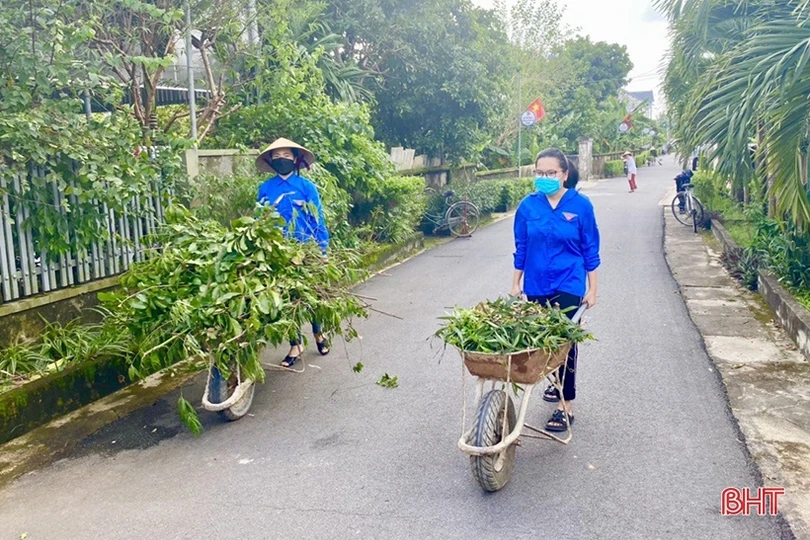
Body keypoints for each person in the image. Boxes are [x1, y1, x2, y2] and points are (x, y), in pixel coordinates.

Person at [511, 148, 601, 432]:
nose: (544, 177)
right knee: (542, 341)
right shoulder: (528, 206)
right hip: (536, 283)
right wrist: (515, 282)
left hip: (569, 282)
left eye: (551, 173)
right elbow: (522, 248)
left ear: (564, 175)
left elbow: (590, 249)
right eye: (539, 173)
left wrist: (593, 288)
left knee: (565, 342)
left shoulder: (581, 205)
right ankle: (556, 383)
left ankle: (566, 405)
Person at [256, 137, 331, 367]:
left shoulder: (307, 188)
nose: (282, 160)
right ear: (271, 161)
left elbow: (317, 218)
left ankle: (319, 333)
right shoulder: (266, 189)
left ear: (295, 160)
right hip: (278, 253)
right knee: (287, 300)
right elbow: (260, 221)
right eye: (277, 157)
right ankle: (295, 344)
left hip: (307, 249)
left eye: (286, 156)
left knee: (313, 296)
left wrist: (323, 250)